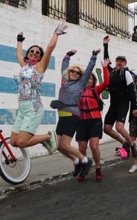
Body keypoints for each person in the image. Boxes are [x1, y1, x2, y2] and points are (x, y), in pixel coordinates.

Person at [10, 24, 67, 154]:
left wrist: (56, 33)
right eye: (32, 51)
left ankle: (48, 136)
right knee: (14, 141)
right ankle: (44, 140)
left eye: (38, 52)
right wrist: (19, 40)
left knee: (22, 142)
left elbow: (50, 48)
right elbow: (18, 53)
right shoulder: (24, 66)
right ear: (28, 55)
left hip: (33, 107)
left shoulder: (40, 67)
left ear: (40, 57)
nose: (34, 53)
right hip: (22, 108)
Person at [55, 48, 101, 180]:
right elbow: (63, 68)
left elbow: (87, 72)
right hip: (62, 116)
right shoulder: (65, 80)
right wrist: (67, 56)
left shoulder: (80, 84)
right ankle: (77, 161)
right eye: (72, 71)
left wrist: (93, 56)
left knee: (65, 144)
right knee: (58, 146)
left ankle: (85, 160)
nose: (74, 73)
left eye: (77, 72)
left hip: (72, 115)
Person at [103, 36, 137, 159]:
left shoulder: (126, 73)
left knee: (119, 127)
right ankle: (124, 143)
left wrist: (134, 107)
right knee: (107, 128)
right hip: (113, 104)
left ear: (125, 63)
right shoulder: (113, 72)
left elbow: (132, 90)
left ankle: (132, 144)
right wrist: (105, 45)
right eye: (118, 60)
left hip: (123, 104)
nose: (119, 62)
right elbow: (106, 60)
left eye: (122, 61)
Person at [76, 58, 110, 181]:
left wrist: (105, 67)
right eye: (86, 78)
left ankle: (98, 168)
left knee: (94, 146)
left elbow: (106, 83)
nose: (87, 80)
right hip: (81, 121)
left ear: (93, 81)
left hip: (94, 120)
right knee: (81, 148)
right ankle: (83, 169)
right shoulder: (77, 90)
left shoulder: (96, 90)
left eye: (90, 78)